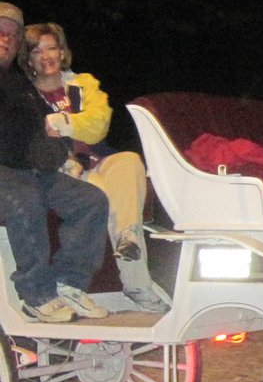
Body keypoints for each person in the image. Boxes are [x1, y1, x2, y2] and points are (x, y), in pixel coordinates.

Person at [22, 21, 166, 312]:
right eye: (37, 51)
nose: (47, 56)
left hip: (98, 161)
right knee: (100, 195)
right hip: (64, 172)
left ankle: (129, 244)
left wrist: (59, 122)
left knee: (129, 161)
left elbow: (98, 126)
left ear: (63, 53)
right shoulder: (25, 96)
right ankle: (134, 285)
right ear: (28, 60)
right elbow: (33, 141)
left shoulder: (82, 84)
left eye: (52, 48)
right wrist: (71, 130)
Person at [0, 2, 110, 322]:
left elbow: (45, 128)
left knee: (90, 200)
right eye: (0, 32)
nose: (6, 39)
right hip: (6, 173)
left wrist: (58, 155)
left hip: (30, 170)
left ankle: (69, 284)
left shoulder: (21, 85)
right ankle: (36, 292)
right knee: (25, 198)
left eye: (13, 35)